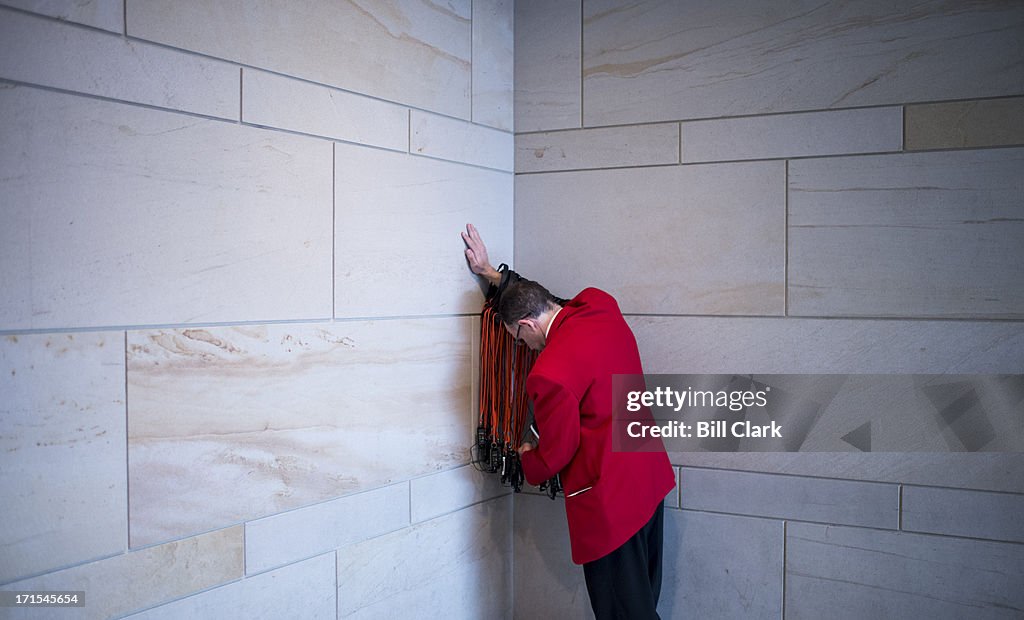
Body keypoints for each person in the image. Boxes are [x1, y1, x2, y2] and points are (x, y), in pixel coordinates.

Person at [462, 224, 676, 619]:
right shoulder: (599, 305)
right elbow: (548, 299)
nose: (523, 348)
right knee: (643, 604)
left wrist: (528, 459)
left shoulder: (549, 372)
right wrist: (494, 276)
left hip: (612, 507)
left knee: (622, 614)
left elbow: (558, 452)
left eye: (518, 338)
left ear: (526, 325)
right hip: (649, 481)